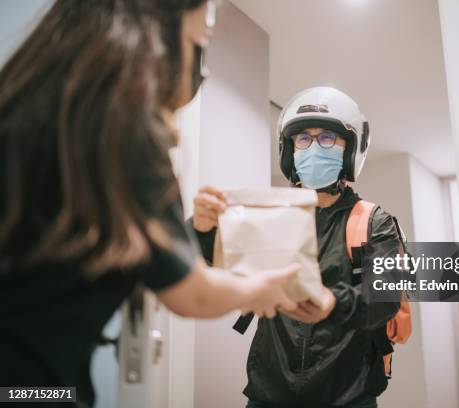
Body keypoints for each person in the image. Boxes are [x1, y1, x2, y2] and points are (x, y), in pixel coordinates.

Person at [0, 1, 299, 406]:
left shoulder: (24, 102)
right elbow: (189, 292)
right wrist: (256, 290)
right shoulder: (122, 129)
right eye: (200, 41)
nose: (200, 66)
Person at [191, 87, 404, 408]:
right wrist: (200, 229)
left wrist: (333, 302)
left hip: (348, 398)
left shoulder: (376, 221)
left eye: (327, 138)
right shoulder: (269, 215)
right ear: (290, 150)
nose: (313, 147)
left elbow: (386, 296)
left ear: (351, 150)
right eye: (303, 139)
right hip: (268, 395)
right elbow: (198, 262)